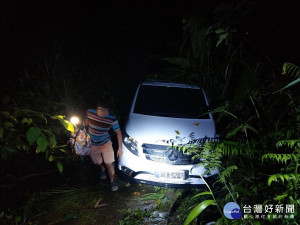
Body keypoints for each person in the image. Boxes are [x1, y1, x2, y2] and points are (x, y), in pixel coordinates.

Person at [86, 99, 123, 191]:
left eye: (104, 110)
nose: (101, 112)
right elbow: (85, 122)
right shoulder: (90, 112)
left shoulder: (112, 119)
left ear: (109, 111)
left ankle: (112, 181)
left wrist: (120, 148)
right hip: (92, 144)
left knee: (108, 163)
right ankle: (102, 169)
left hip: (105, 143)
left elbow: (118, 132)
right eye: (99, 109)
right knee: (97, 162)